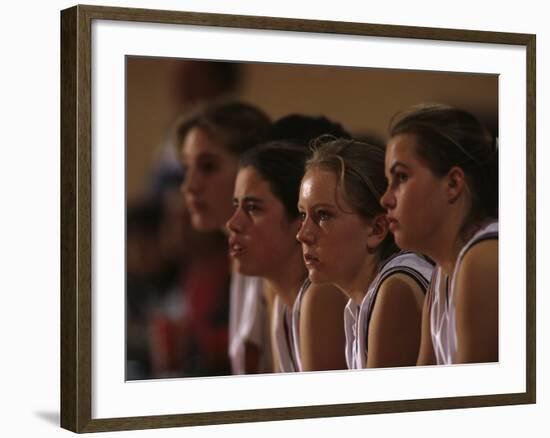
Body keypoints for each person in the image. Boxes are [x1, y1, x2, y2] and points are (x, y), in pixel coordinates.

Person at [297, 137, 433, 369]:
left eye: (323, 215)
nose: (303, 234)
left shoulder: (396, 288)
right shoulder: (363, 299)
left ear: (377, 229)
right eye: (302, 215)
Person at [380, 104, 498, 365]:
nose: (386, 199)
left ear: (453, 183)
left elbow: (475, 402)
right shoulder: (441, 272)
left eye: (401, 177)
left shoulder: (484, 258)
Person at [226, 142, 348, 372]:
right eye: (236, 206)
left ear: (298, 221)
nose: (233, 223)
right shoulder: (282, 301)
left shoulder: (322, 294)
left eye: (253, 208)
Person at [177, 101, 272, 375]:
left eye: (207, 167)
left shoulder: (273, 263)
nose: (189, 185)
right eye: (186, 167)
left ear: (250, 171)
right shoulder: (236, 256)